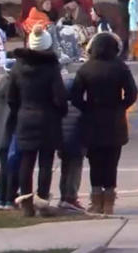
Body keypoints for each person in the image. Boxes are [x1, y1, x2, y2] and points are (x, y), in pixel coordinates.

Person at [70, 32, 138, 215]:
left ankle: (96, 199)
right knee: (111, 161)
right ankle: (109, 200)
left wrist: (86, 107)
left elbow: (75, 96)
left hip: (92, 118)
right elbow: (132, 93)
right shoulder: (121, 68)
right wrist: (121, 106)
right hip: (115, 119)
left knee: (95, 162)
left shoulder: (86, 69)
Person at [8, 25, 68, 217]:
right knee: (45, 162)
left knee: (26, 160)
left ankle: (26, 203)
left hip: (25, 116)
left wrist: (20, 111)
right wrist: (61, 111)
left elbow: (11, 97)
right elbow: (59, 96)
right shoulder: (51, 68)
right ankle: (42, 201)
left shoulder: (18, 67)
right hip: (48, 118)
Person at [58, 74, 85, 213]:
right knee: (74, 171)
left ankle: (63, 196)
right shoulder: (80, 107)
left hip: (62, 143)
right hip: (76, 144)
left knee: (65, 170)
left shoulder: (58, 107)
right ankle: (70, 197)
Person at [0, 61, 18, 210]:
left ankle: (2, 198)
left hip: (1, 135)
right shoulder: (12, 88)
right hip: (12, 133)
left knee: (4, 166)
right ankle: (10, 198)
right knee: (13, 167)